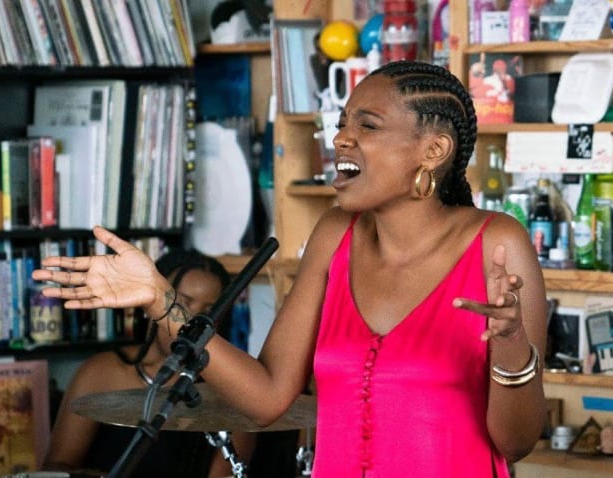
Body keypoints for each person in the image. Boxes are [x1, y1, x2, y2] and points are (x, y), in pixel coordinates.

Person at [33, 60, 548, 477]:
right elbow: (265, 399)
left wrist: (510, 346)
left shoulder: (496, 243)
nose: (341, 138)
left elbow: (516, 443)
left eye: (366, 126)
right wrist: (159, 299)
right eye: (342, 121)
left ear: (433, 151)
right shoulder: (333, 236)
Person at [42, 248, 258, 478]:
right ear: (151, 303)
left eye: (209, 312)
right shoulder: (101, 372)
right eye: (183, 305)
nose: (192, 322)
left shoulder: (232, 390)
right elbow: (57, 466)